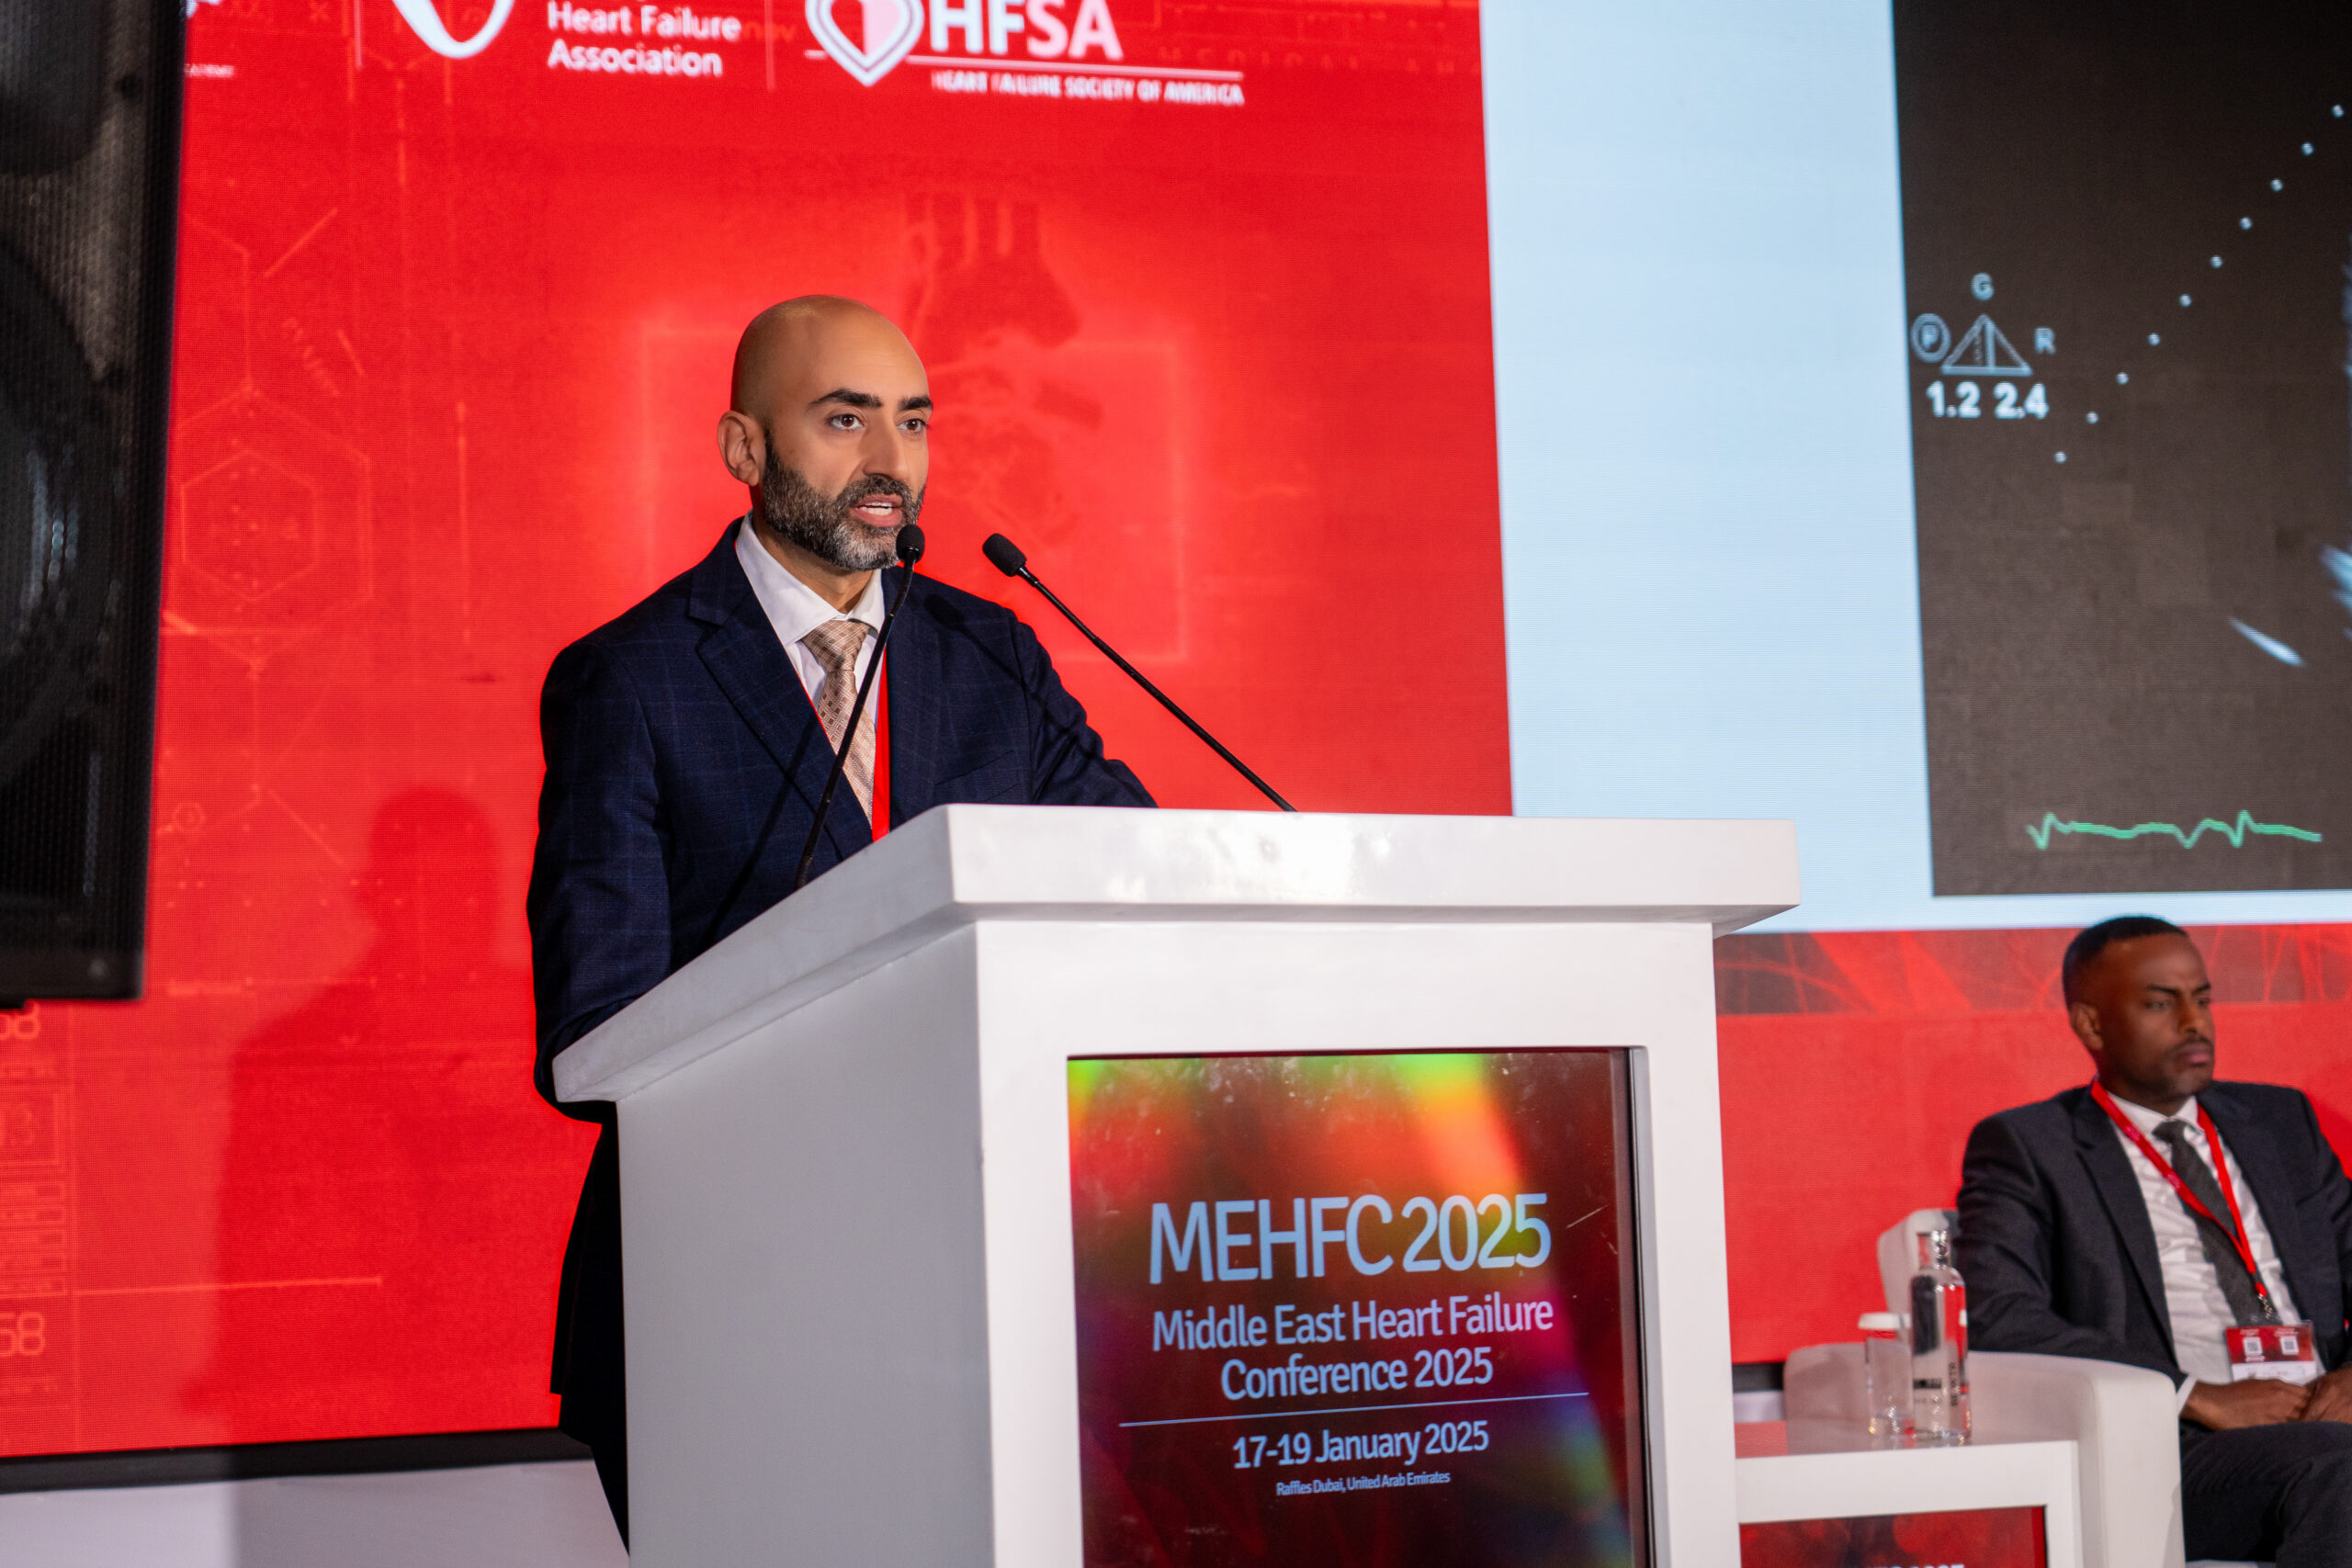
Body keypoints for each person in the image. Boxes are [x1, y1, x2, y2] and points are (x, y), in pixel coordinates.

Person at [526, 297, 1153, 1542]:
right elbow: (596, 1023)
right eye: (844, 418)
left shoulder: (992, 652)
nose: (889, 461)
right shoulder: (632, 676)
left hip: (981, 1289)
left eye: (912, 422)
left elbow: (1127, 879)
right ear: (743, 446)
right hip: (726, 1291)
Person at [1958, 915, 2352, 1566]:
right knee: (2339, 1466)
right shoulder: (2031, 1147)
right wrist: (2196, 1394)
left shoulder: (2281, 1121)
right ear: (2091, 1025)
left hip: (2323, 1409)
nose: (2194, 1022)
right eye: (2160, 1004)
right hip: (2177, 1446)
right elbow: (2000, 1313)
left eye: (2202, 998)